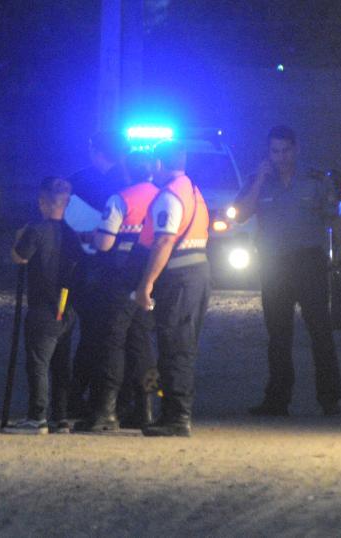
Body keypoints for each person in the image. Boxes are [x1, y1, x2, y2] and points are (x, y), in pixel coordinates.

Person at [235, 126, 341, 417]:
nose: (281, 157)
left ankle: (330, 399)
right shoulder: (257, 181)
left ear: (295, 149)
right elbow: (240, 215)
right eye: (275, 151)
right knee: (278, 335)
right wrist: (259, 180)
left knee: (321, 331)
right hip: (274, 265)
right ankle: (277, 399)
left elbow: (334, 218)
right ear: (268, 153)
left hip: (309, 263)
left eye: (285, 151)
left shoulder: (315, 179)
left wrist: (339, 256)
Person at [74, 152, 159, 432]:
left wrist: (91, 236)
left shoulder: (120, 199)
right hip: (148, 280)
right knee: (141, 345)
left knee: (112, 342)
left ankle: (106, 411)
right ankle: (145, 409)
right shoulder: (161, 197)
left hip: (119, 280)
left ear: (126, 171)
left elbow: (105, 244)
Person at [131, 141, 211, 437]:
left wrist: (146, 283)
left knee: (174, 346)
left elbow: (164, 241)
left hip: (179, 277)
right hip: (197, 272)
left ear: (158, 164)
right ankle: (174, 413)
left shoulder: (170, 196)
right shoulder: (192, 190)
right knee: (182, 344)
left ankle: (176, 417)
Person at [3, 177, 84, 435]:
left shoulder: (36, 230)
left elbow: (19, 257)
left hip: (43, 307)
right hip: (66, 307)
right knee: (61, 365)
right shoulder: (72, 234)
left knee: (38, 364)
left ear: (42, 202)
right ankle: (60, 417)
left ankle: (37, 416)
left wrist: (18, 239)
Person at [63, 131, 130, 416]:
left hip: (85, 268)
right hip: (121, 271)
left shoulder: (75, 182)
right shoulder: (131, 182)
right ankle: (116, 400)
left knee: (89, 336)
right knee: (116, 339)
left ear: (94, 150)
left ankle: (76, 397)